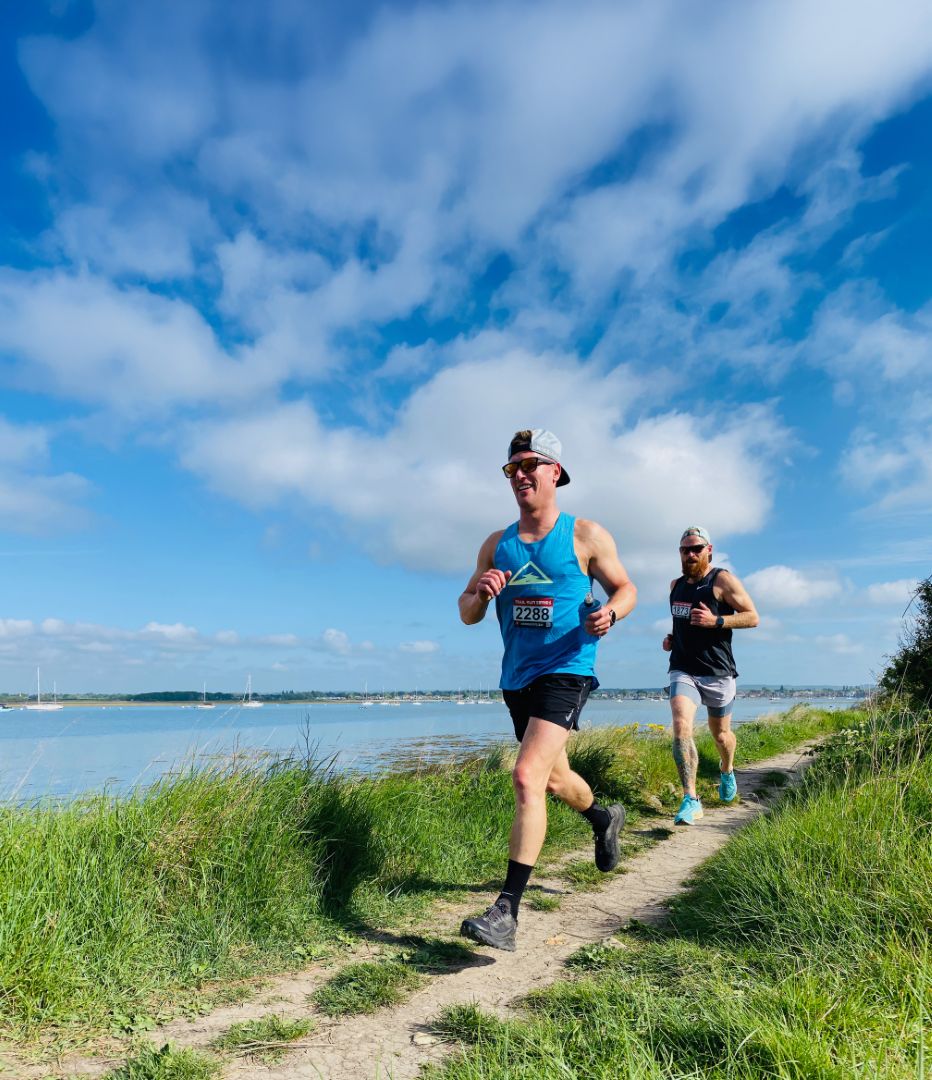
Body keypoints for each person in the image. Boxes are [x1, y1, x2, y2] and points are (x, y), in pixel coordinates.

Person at [457, 428, 637, 951]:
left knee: (526, 775)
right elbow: (466, 612)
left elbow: (626, 589)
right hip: (517, 677)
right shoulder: (497, 544)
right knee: (554, 780)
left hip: (568, 668)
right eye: (512, 468)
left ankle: (506, 911)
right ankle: (604, 818)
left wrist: (610, 613)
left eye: (530, 464)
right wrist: (481, 594)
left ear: (555, 471)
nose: (520, 474)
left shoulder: (585, 535)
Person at [662, 526, 759, 825]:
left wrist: (716, 621)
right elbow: (682, 622)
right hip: (683, 667)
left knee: (721, 736)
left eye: (696, 549)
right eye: (685, 550)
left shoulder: (722, 580)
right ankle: (690, 799)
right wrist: (673, 638)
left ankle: (727, 770)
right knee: (681, 725)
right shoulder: (675, 585)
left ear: (709, 550)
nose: (691, 554)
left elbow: (752, 617)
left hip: (717, 671)